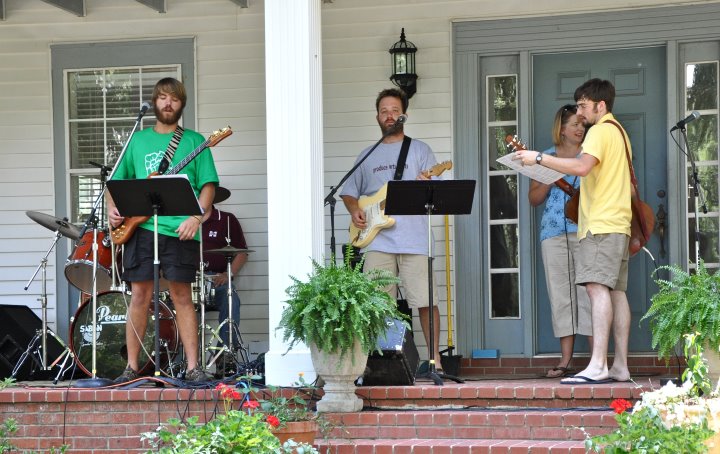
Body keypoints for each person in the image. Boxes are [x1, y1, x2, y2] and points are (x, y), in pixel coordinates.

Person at [514, 79, 632, 384]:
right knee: (616, 293)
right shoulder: (619, 132)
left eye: (583, 105)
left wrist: (538, 158)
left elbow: (581, 168)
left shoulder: (601, 132)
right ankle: (619, 365)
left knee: (595, 289)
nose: (580, 113)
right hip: (618, 223)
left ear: (600, 105)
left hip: (600, 224)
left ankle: (598, 365)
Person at [108, 77, 218, 383]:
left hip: (180, 230)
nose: (168, 104)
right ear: (155, 102)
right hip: (142, 229)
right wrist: (112, 209)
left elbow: (208, 186)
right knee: (139, 295)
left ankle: (193, 368)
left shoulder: (195, 141)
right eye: (163, 98)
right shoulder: (137, 140)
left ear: (182, 104)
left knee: (182, 295)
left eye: (175, 99)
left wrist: (196, 218)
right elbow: (116, 182)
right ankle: (131, 367)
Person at [340, 88, 444, 371]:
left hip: (414, 240)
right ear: (377, 117)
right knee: (376, 303)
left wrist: (427, 183)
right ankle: (377, 362)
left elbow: (436, 190)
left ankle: (435, 360)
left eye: (394, 110)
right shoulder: (367, 155)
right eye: (384, 111)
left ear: (404, 115)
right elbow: (349, 192)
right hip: (377, 242)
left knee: (425, 300)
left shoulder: (420, 150)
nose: (389, 115)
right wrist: (354, 210)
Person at [528, 104, 592, 378]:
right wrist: (548, 178)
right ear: (561, 129)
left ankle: (596, 360)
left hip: (587, 231)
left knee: (589, 294)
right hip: (553, 233)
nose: (580, 129)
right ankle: (565, 360)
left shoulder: (590, 154)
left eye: (582, 124)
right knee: (560, 296)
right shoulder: (545, 157)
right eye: (574, 124)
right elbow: (533, 199)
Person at [201, 205, 248, 378]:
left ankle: (225, 355)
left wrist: (228, 274)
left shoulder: (226, 219)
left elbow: (241, 253)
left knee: (231, 297)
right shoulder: (180, 218)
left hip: (216, 280)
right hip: (187, 280)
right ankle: (179, 361)